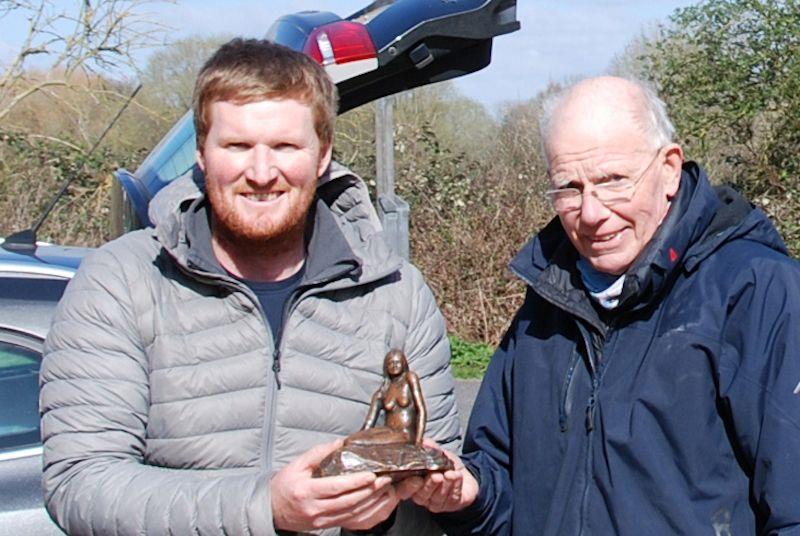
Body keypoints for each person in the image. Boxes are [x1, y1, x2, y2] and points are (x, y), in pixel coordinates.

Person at [40, 38, 460, 535]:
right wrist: (265, 507)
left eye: (285, 147)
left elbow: (435, 480)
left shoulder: (397, 294)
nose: (262, 174)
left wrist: (400, 503)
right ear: (201, 153)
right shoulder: (121, 283)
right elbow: (81, 484)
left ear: (322, 155)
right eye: (237, 146)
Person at [406, 76, 800, 534]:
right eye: (569, 187)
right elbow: (501, 485)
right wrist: (467, 494)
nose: (591, 212)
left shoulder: (758, 292)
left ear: (670, 168)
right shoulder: (546, 305)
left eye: (612, 181)